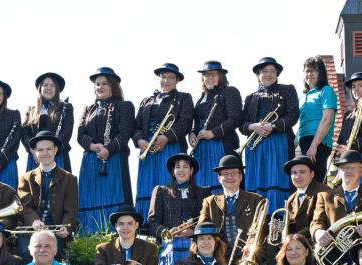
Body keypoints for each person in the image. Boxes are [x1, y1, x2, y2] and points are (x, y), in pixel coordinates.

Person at [198, 155, 268, 265]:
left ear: (240, 177)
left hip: (249, 255)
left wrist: (251, 246)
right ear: (219, 178)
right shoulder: (209, 202)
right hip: (221, 256)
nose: (230, 177)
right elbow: (203, 227)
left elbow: (260, 228)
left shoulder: (257, 200)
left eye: (234, 173)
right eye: (225, 174)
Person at [77, 67, 137, 234]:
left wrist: (108, 150)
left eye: (104, 83)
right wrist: (92, 146)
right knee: (89, 198)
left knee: (115, 196)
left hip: (115, 159)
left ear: (113, 86)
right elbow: (80, 134)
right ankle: (88, 236)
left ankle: (114, 235)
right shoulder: (88, 109)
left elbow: (125, 133)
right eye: (97, 84)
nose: (100, 87)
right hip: (90, 160)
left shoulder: (124, 106)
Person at [133, 63, 195, 217]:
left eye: (171, 77)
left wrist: (167, 137)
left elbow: (186, 122)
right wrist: (139, 140)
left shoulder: (183, 98)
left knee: (167, 183)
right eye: (163, 77)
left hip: (170, 147)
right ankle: (146, 221)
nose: (166, 80)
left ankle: (169, 218)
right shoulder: (146, 100)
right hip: (148, 149)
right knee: (147, 184)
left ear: (177, 80)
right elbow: (136, 126)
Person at [311, 150, 362, 265]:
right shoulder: (325, 196)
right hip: (334, 253)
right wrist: (318, 232)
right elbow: (316, 222)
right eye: (345, 168)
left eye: (353, 168)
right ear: (339, 172)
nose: (348, 171)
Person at [240, 57, 299, 213]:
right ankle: (256, 219)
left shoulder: (287, 89)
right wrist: (253, 126)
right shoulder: (250, 97)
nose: (268, 74)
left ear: (277, 74)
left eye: (272, 71)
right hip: (255, 145)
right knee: (257, 180)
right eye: (264, 71)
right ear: (258, 74)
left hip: (278, 142)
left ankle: (278, 217)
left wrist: (273, 125)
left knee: (277, 179)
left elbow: (293, 115)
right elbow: (242, 124)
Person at [16, 130, 78, 262]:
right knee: (25, 252)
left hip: (56, 230)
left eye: (49, 149)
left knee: (54, 252)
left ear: (55, 150)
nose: (45, 153)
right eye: (40, 150)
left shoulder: (70, 179)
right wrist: (34, 221)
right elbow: (25, 207)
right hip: (31, 229)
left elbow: (71, 210)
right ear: (35, 152)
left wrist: (65, 226)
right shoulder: (25, 178)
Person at [148, 153, 209, 265]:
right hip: (170, 243)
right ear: (173, 171)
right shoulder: (161, 191)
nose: (181, 170)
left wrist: (193, 232)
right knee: (175, 248)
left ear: (191, 171)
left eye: (185, 167)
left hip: (196, 241)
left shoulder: (203, 192)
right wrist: (167, 232)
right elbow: (152, 223)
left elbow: (208, 221)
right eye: (178, 167)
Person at [191, 61, 243, 192]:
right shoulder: (201, 97)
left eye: (213, 74)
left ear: (221, 76)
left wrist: (213, 133)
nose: (210, 78)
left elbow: (235, 118)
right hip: (201, 149)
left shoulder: (229, 91)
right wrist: (192, 133)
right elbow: (196, 121)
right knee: (201, 185)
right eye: (206, 75)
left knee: (222, 184)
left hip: (221, 145)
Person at [296, 56, 338, 182]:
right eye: (307, 71)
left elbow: (327, 120)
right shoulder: (303, 97)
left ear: (321, 73)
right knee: (306, 182)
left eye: (313, 70)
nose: (309, 74)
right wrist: (293, 146)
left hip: (318, 141)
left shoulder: (326, 90)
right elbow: (301, 124)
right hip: (304, 141)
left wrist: (314, 145)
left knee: (317, 181)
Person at [22, 72, 73, 171]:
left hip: (58, 155)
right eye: (45, 85)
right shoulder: (31, 110)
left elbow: (67, 133)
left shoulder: (66, 107)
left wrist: (52, 151)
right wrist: (33, 151)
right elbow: (24, 134)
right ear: (40, 88)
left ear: (57, 89)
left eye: (52, 85)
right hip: (35, 157)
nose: (48, 88)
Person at [282, 155, 328, 243]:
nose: (297, 176)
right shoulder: (291, 199)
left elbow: (321, 222)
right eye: (294, 173)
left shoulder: (323, 191)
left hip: (317, 243)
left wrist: (294, 238)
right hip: (299, 245)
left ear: (312, 174)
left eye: (302, 172)